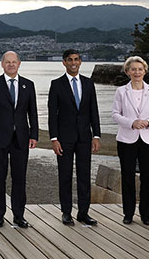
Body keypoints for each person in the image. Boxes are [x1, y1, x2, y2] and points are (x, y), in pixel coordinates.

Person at [0, 51, 37, 228]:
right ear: (2, 64)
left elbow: (33, 113)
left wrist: (34, 135)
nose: (11, 65)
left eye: (14, 62)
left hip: (21, 138)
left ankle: (19, 215)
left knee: (19, 178)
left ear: (19, 64)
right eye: (8, 62)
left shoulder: (28, 85)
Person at [48, 49, 100, 226]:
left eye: (76, 59)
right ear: (64, 62)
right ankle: (66, 212)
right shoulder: (56, 84)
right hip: (64, 138)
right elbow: (52, 114)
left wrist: (96, 135)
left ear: (80, 62)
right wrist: (54, 139)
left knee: (84, 176)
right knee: (65, 176)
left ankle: (83, 213)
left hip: (85, 137)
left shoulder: (88, 83)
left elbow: (94, 111)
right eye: (70, 60)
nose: (73, 63)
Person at [112, 56, 149, 226]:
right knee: (127, 176)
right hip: (127, 139)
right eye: (133, 69)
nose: (137, 72)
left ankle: (146, 214)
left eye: (140, 69)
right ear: (127, 72)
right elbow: (115, 114)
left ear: (145, 71)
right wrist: (131, 123)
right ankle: (128, 214)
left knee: (147, 177)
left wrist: (148, 122)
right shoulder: (121, 91)